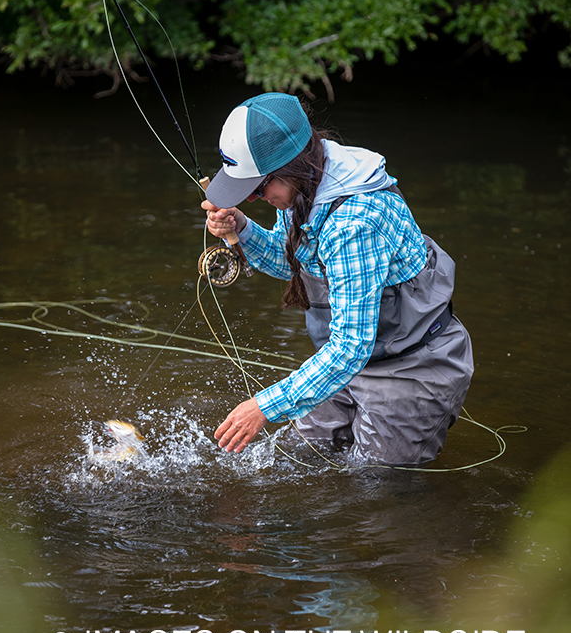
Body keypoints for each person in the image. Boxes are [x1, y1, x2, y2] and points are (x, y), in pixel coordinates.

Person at [201, 92, 473, 465]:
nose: (251, 198)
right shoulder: (308, 180)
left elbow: (349, 347)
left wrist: (263, 407)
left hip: (410, 370)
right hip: (354, 362)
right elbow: (292, 262)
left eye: (258, 187)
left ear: (290, 168)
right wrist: (243, 229)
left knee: (373, 491)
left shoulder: (354, 223)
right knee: (295, 457)